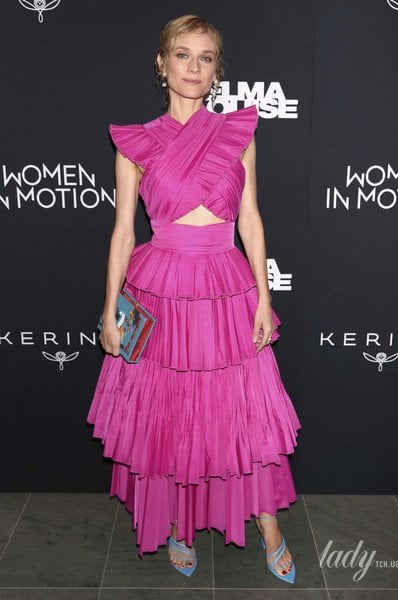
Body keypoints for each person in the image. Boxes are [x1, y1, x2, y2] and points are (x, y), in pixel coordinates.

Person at [87, 14, 301, 584]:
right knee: (176, 410)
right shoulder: (136, 143)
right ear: (162, 64)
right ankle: (181, 522)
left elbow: (250, 221)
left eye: (205, 58)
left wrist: (263, 298)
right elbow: (124, 233)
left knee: (240, 409)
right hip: (161, 286)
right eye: (182, 55)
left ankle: (270, 528)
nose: (193, 67)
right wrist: (109, 309)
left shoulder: (238, 135)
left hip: (226, 284)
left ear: (217, 70)